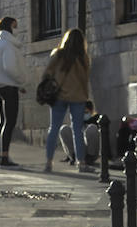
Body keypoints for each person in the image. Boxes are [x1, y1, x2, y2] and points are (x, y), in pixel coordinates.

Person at [42, 28, 91, 174]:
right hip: (78, 97)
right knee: (77, 130)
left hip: (59, 96)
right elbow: (85, 78)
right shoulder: (83, 58)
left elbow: (47, 73)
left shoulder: (58, 55)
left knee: (54, 129)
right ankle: (81, 162)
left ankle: (48, 163)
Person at [0, 16, 26, 166]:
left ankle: (2, 155)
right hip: (9, 87)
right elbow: (10, 67)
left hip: (0, 86)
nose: (17, 29)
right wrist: (20, 81)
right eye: (15, 26)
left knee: (2, 122)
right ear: (9, 26)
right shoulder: (8, 45)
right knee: (9, 122)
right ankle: (4, 157)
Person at [59, 101, 102, 165]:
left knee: (92, 128)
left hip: (91, 150)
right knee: (64, 128)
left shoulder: (96, 119)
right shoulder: (77, 119)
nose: (84, 114)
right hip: (79, 149)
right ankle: (73, 156)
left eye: (86, 112)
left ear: (91, 111)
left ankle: (89, 157)